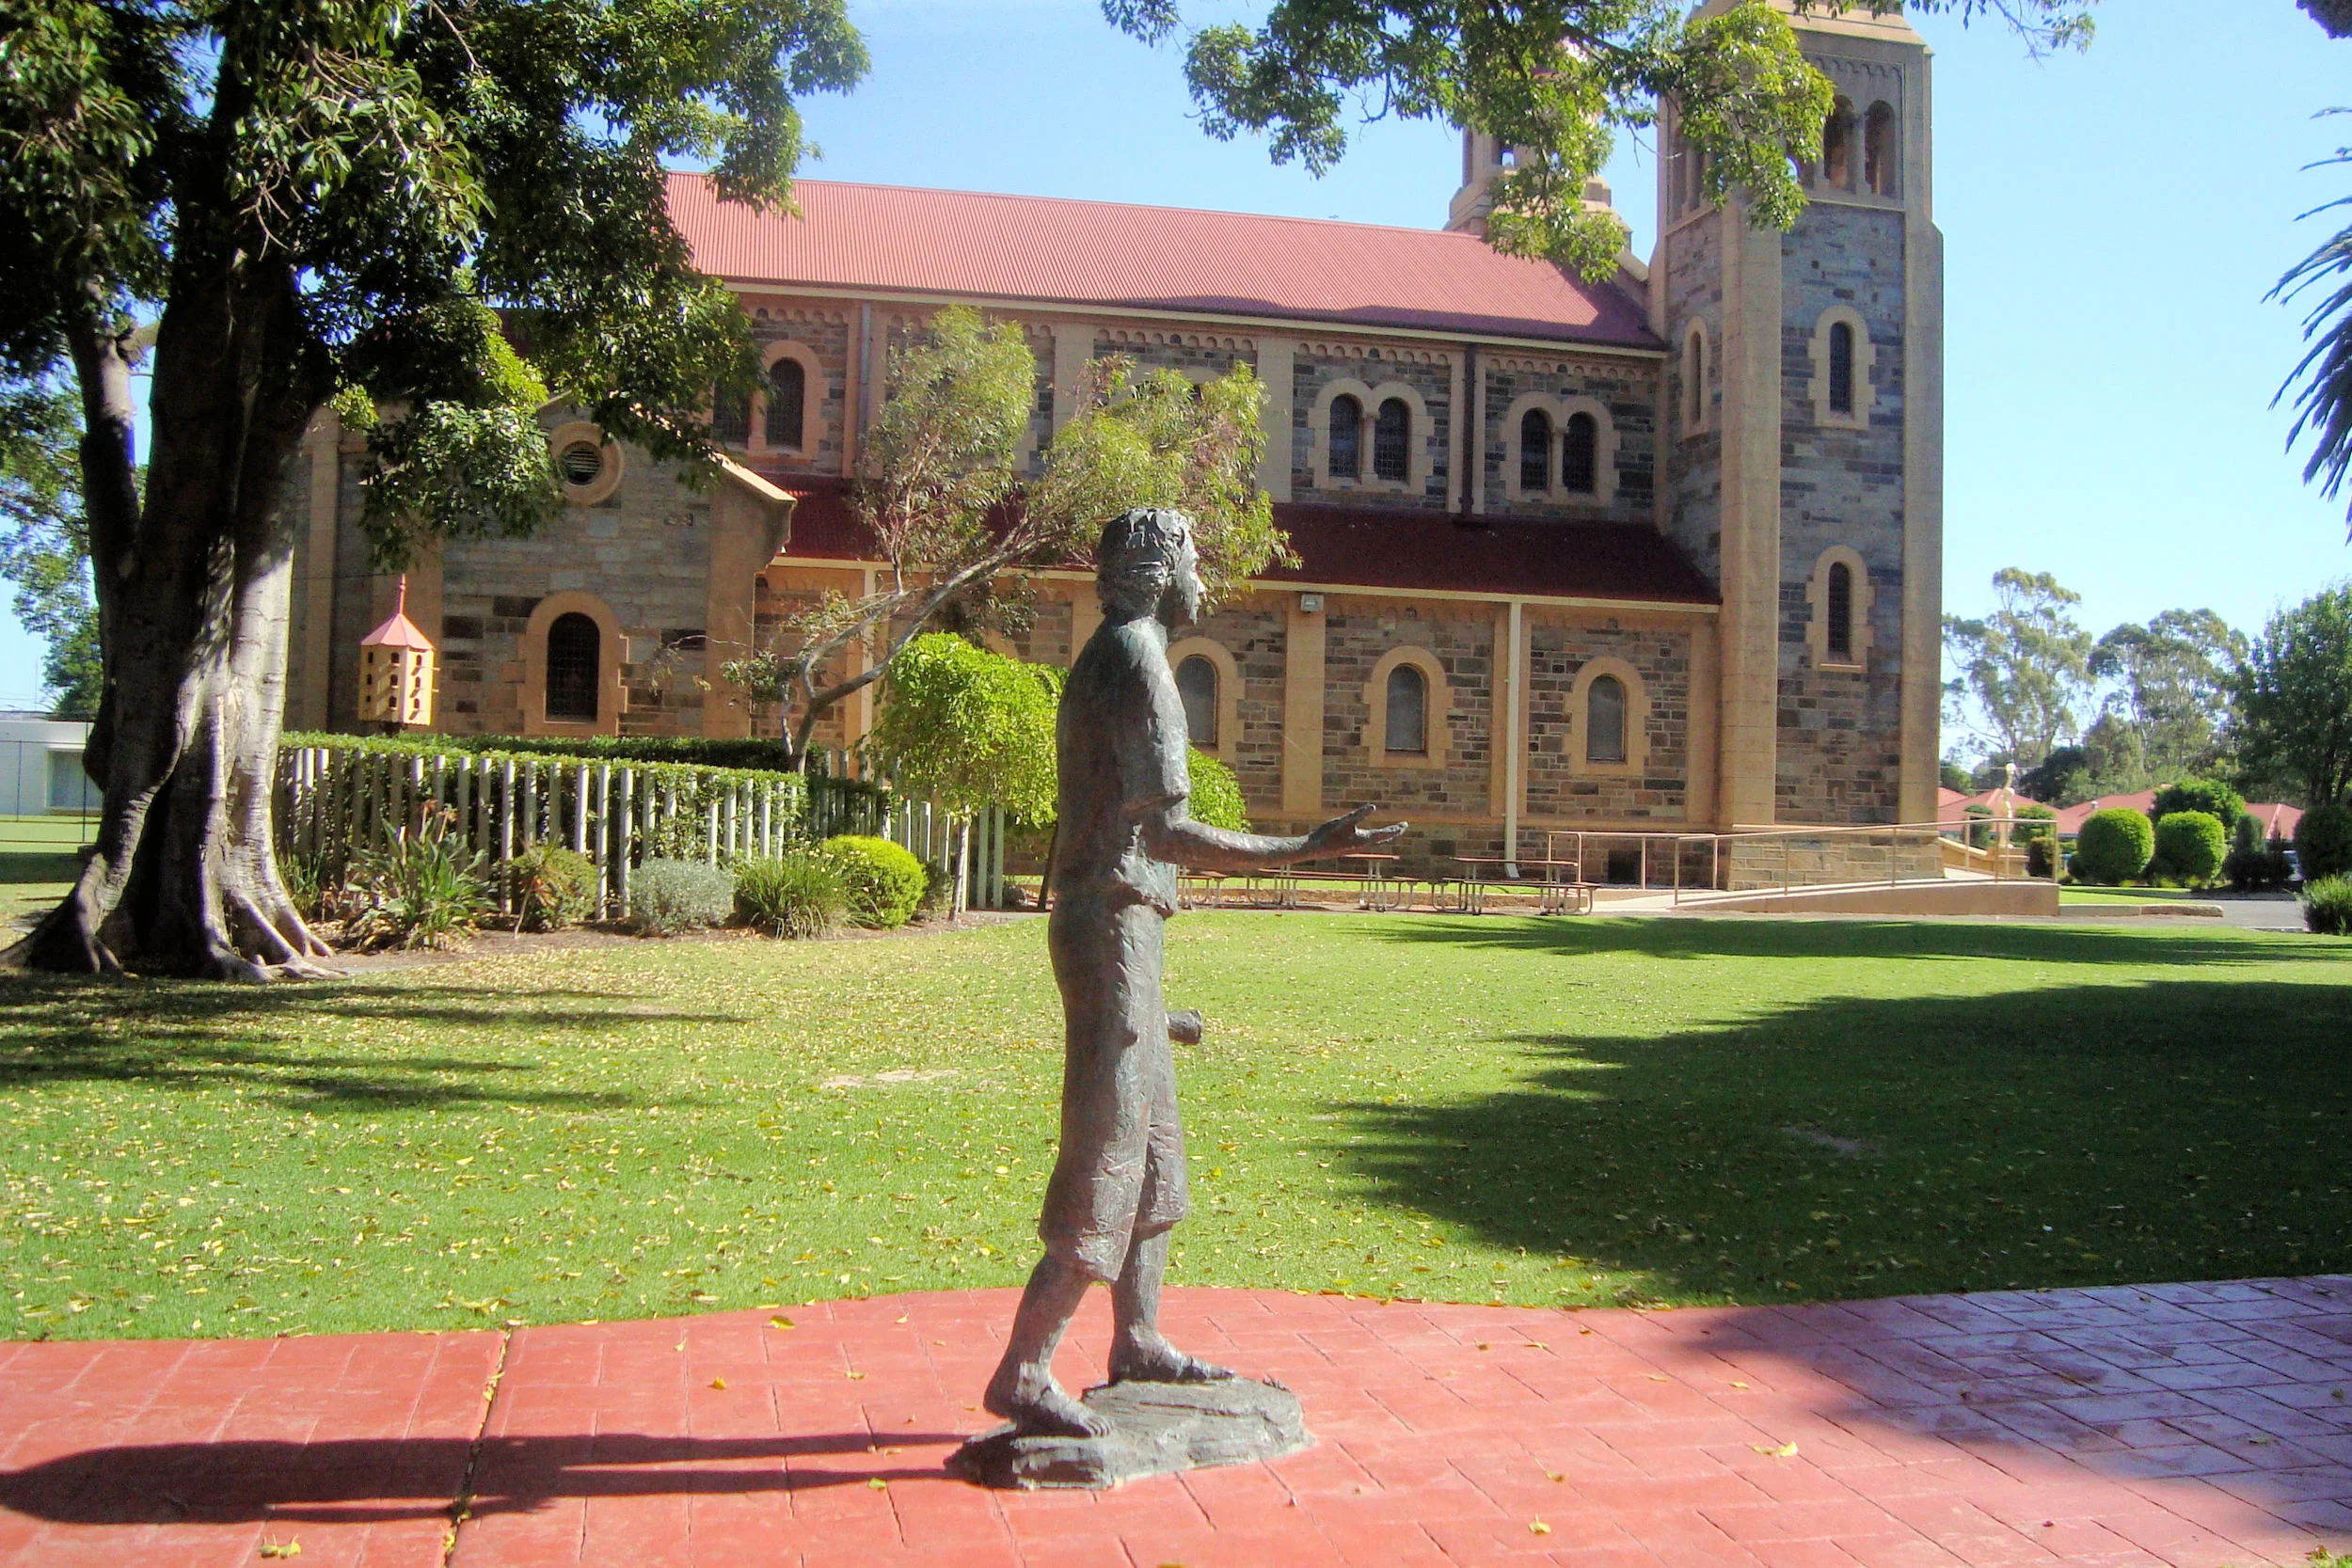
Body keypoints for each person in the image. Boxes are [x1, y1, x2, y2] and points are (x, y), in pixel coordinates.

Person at [982, 507, 1405, 1438]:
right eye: (1193, 558)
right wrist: (1306, 846)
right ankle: (1023, 1367)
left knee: (1160, 1157)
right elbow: (1161, 830)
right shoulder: (1137, 658)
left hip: (1120, 926)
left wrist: (1148, 1003)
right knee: (1111, 1147)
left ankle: (1135, 1338)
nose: (1202, 577)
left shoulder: (1112, 651)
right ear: (1160, 566)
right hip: (1114, 921)